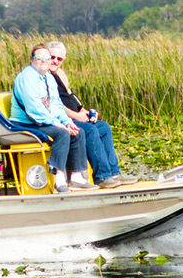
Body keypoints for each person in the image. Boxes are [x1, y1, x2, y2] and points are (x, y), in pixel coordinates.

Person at [46, 40, 137, 186]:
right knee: (89, 130)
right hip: (61, 120)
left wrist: (84, 111)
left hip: (74, 115)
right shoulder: (45, 77)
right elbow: (54, 105)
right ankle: (102, 176)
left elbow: (70, 97)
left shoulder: (59, 74)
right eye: (52, 57)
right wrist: (76, 116)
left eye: (59, 58)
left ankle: (114, 172)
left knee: (104, 127)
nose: (55, 61)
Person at [10, 45, 90, 193]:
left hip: (42, 120)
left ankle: (76, 177)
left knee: (77, 131)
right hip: (24, 122)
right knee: (62, 133)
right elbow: (33, 108)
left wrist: (67, 122)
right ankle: (58, 180)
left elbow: (56, 104)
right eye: (39, 58)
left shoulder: (48, 78)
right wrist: (56, 123)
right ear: (32, 59)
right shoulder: (26, 77)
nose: (44, 61)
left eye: (47, 58)